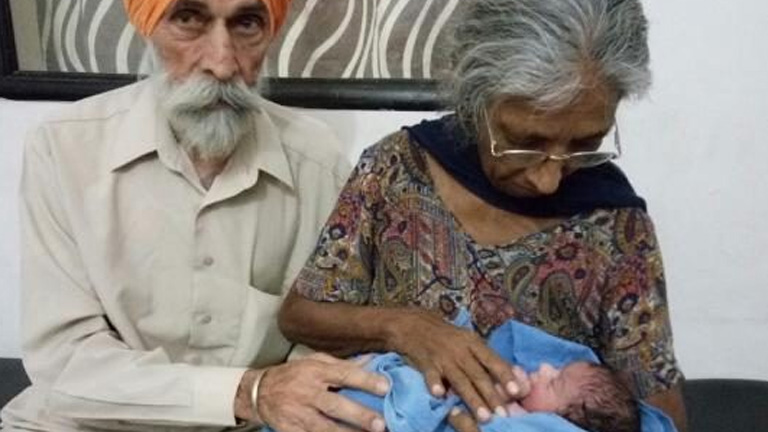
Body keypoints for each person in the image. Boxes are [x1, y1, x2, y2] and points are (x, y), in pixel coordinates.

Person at [277, 0, 687, 431]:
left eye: (585, 144)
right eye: (526, 142)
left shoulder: (617, 225)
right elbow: (301, 315)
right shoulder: (395, 171)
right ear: (476, 101)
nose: (548, 180)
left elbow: (656, 409)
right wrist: (401, 327)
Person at [0, 1, 390, 431]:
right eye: (188, 20)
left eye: (246, 24)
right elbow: (66, 362)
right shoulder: (63, 148)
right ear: (149, 27)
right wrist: (248, 392)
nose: (222, 64)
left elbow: (324, 337)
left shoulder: (317, 161)